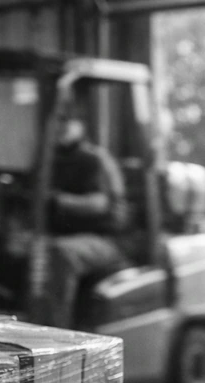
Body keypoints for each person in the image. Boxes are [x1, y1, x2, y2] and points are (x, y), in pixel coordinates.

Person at [42, 111, 131, 328]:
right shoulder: (52, 160)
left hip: (104, 241)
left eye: (66, 121)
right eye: (58, 121)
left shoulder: (92, 159)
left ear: (81, 126)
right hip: (67, 237)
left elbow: (99, 203)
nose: (61, 127)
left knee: (61, 253)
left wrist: (59, 201)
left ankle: (55, 334)